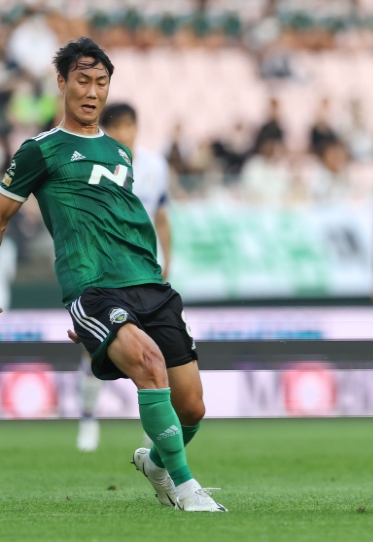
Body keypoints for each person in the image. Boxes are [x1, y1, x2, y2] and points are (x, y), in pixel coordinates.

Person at [0, 37, 225, 512]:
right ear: (62, 82)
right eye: (82, 80)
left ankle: (157, 465)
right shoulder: (40, 150)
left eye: (101, 82)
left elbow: (128, 220)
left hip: (149, 283)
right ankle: (187, 489)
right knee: (149, 365)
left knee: (192, 407)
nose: (92, 91)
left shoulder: (120, 154)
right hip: (94, 287)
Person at [75, 102, 173, 453]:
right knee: (95, 348)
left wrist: (168, 261)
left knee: (155, 350)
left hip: (145, 270)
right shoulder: (91, 166)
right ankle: (88, 418)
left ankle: (154, 433)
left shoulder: (155, 167)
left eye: (128, 127)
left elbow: (161, 218)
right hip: (104, 270)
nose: (123, 134)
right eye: (115, 128)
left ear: (135, 128)